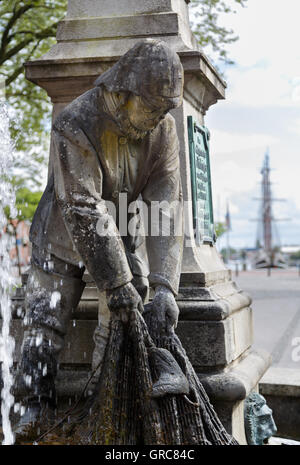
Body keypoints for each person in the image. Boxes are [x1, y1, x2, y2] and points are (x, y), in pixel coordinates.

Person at [14, 39, 184, 433]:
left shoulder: (164, 131)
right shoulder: (76, 121)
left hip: (121, 230)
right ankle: (32, 406)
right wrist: (116, 281)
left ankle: (102, 405)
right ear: (123, 94)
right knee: (45, 317)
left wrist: (163, 287)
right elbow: (83, 208)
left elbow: (166, 207)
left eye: (165, 110)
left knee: (125, 318)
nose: (159, 118)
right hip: (61, 229)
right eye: (153, 107)